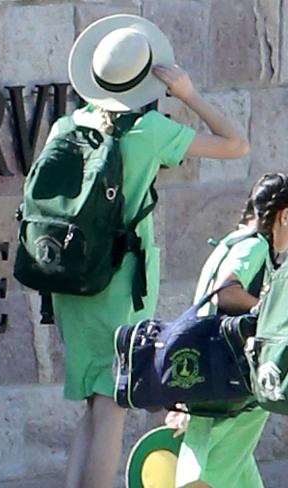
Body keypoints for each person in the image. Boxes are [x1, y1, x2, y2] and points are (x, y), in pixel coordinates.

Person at [54, 14, 250, 488]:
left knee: (94, 402)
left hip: (69, 278)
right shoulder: (149, 132)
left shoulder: (68, 125)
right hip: (119, 279)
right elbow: (237, 145)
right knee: (114, 401)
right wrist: (188, 94)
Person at [168, 173, 288, 488]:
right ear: (284, 216)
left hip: (208, 375)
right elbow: (226, 291)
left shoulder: (229, 243)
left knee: (229, 463)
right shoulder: (254, 246)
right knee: (216, 470)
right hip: (233, 379)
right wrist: (269, 312)